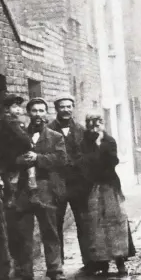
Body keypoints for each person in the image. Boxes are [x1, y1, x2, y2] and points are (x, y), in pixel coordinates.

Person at [9, 97, 68, 280]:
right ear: (28, 113)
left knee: (49, 230)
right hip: (23, 190)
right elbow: (8, 159)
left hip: (45, 188)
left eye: (41, 111)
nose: (38, 115)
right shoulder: (18, 135)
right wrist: (19, 161)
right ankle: (25, 272)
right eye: (34, 111)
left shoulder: (55, 137)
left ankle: (55, 269)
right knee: (23, 232)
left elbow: (61, 160)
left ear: (46, 113)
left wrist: (38, 158)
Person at [81, 114, 134, 276]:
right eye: (91, 126)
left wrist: (99, 147)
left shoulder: (109, 141)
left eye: (97, 125)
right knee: (96, 224)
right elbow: (86, 163)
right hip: (93, 187)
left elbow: (112, 162)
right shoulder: (85, 143)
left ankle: (120, 260)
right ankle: (102, 262)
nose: (95, 129)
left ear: (103, 124)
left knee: (115, 221)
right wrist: (95, 148)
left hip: (109, 186)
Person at [48, 95, 91, 268]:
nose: (66, 110)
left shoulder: (81, 130)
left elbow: (88, 156)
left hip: (78, 185)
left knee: (83, 222)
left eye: (69, 106)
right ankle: (58, 264)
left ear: (73, 108)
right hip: (57, 184)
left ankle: (89, 261)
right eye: (62, 107)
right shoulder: (49, 130)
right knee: (55, 224)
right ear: (56, 109)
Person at [0, 94, 37, 207]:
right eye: (14, 106)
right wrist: (30, 143)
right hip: (11, 157)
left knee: (24, 171)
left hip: (15, 155)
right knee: (16, 176)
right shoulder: (9, 122)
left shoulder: (16, 122)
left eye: (19, 106)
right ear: (6, 109)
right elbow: (23, 138)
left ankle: (27, 190)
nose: (18, 109)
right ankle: (25, 191)